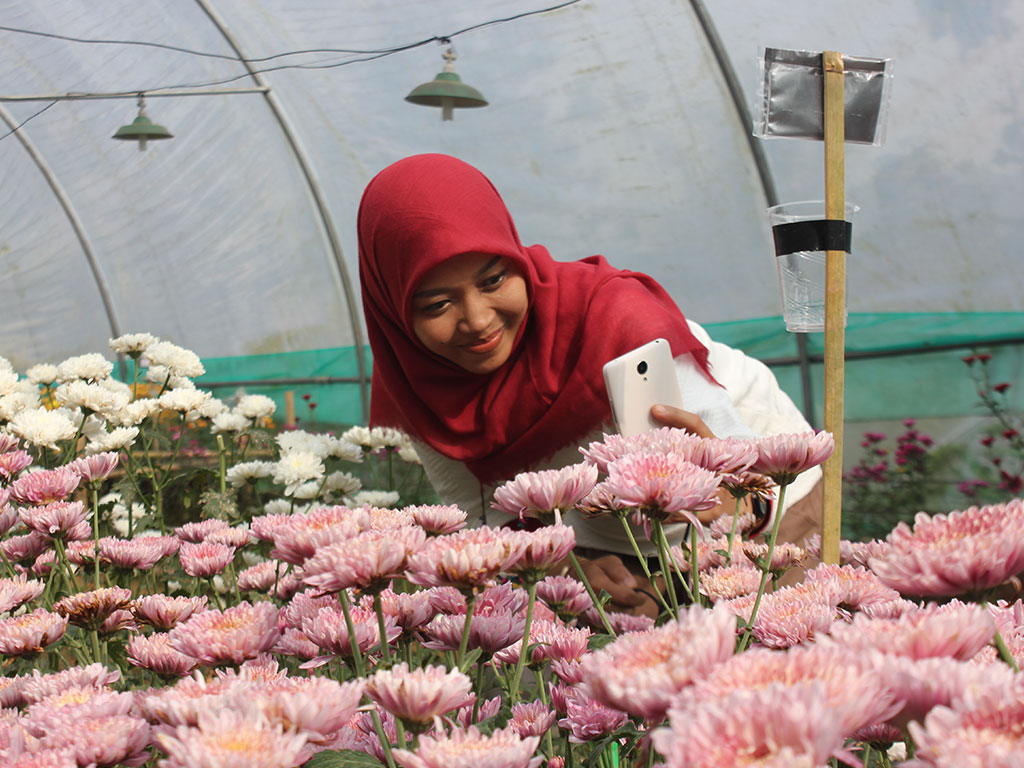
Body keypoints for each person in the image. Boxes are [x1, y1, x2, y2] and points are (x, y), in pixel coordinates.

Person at [357, 153, 820, 613]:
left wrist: (736, 493)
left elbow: (744, 486)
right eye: (437, 305)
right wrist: (570, 568)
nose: (478, 322)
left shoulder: (618, 320)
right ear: (393, 312)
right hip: (611, 535)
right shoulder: (417, 377)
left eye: (494, 279)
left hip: (771, 501)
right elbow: (485, 520)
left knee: (779, 651)